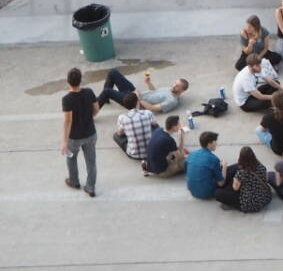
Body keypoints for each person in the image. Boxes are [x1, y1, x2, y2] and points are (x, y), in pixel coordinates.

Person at [61, 68, 99, 197]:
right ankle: (91, 187)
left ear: (68, 82)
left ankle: (74, 180)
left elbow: (68, 121)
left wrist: (64, 141)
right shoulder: (89, 92)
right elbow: (96, 109)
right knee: (91, 162)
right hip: (90, 134)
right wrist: (90, 117)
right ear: (80, 80)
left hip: (75, 138)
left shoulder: (67, 99)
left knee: (71, 158)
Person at [97, 68, 189, 113]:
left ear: (182, 90)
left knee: (107, 91)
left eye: (177, 86)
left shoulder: (172, 101)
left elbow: (153, 109)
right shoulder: (170, 89)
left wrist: (138, 98)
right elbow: (155, 91)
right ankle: (105, 99)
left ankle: (92, 111)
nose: (173, 86)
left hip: (134, 103)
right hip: (135, 94)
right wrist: (148, 83)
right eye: (175, 83)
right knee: (113, 72)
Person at [216, 146, 275, 213]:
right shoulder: (262, 167)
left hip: (249, 204)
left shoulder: (241, 173)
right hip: (265, 198)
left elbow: (235, 188)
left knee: (218, 193)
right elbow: (266, 179)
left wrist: (235, 179)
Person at [113, 92, 157, 161]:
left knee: (115, 135)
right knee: (156, 127)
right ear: (137, 102)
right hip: (151, 152)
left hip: (134, 154)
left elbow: (120, 133)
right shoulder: (148, 113)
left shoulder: (122, 117)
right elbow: (155, 125)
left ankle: (133, 143)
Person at [185, 131, 226, 200]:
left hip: (192, 190)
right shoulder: (214, 159)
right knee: (226, 171)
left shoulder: (191, 154)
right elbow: (221, 183)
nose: (216, 143)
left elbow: (186, 170)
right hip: (206, 193)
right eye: (215, 141)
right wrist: (224, 166)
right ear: (209, 144)